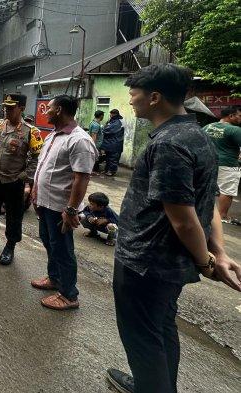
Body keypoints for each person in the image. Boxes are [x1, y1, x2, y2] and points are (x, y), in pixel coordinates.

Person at [106, 64, 241, 393]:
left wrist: (206, 262)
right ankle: (151, 384)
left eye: (134, 95)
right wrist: (218, 252)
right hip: (166, 266)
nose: (131, 101)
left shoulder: (169, 144)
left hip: (145, 264)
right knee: (162, 328)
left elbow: (183, 217)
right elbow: (205, 205)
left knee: (143, 339)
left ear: (155, 97)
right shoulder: (197, 135)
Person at [29, 94, 98, 311]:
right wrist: (35, 193)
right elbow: (43, 168)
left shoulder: (80, 140)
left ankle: (69, 294)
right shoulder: (53, 135)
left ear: (59, 110)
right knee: (49, 242)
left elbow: (82, 178)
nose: (45, 111)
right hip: (45, 203)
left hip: (60, 207)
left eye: (48, 108)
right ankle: (55, 278)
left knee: (63, 249)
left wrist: (70, 210)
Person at [0, 94, 42, 265]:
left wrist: (24, 178)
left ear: (21, 108)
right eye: (5, 106)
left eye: (11, 107)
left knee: (14, 216)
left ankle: (10, 246)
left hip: (13, 182)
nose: (6, 110)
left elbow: (37, 159)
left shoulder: (31, 132)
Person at [202, 106, 241, 225]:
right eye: (239, 116)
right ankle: (222, 216)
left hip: (207, 162)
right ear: (231, 116)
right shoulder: (235, 130)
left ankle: (204, 213)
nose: (240, 118)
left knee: (207, 188)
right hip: (227, 164)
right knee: (226, 191)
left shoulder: (207, 127)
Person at [101, 109, 125, 176]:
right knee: (108, 158)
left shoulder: (118, 122)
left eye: (111, 114)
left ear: (115, 114)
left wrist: (103, 128)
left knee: (113, 159)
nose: (110, 115)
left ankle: (111, 171)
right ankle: (107, 170)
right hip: (109, 143)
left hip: (115, 143)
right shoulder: (112, 121)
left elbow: (108, 130)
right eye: (110, 114)